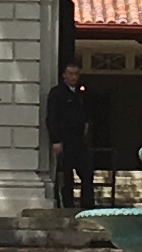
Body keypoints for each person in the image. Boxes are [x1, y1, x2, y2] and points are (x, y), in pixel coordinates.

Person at [42, 61, 99, 211]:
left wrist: (86, 125)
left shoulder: (81, 93)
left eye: (76, 74)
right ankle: (67, 206)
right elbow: (52, 117)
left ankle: (88, 205)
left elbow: (86, 112)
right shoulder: (57, 93)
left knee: (87, 171)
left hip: (79, 139)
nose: (74, 77)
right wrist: (55, 140)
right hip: (64, 139)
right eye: (71, 74)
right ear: (64, 75)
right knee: (66, 175)